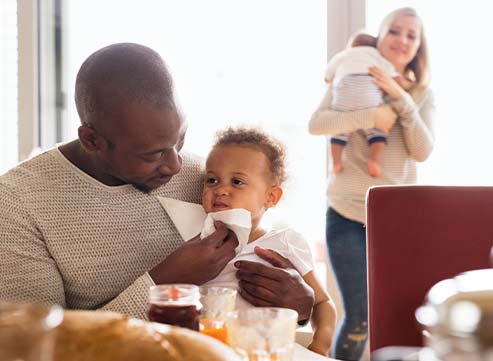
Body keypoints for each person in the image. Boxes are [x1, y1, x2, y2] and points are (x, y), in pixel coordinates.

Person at [0, 43, 314, 323]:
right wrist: (162, 286)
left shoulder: (205, 177)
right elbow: (34, 346)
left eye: (180, 140)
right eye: (153, 154)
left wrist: (298, 305)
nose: (176, 165)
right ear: (92, 140)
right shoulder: (18, 204)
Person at [309, 7, 435, 361]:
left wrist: (400, 96)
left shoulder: (422, 94)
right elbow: (317, 124)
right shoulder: (351, 74)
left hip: (397, 220)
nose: (402, 40)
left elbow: (422, 151)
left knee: (398, 315)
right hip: (345, 215)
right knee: (359, 317)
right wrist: (371, 115)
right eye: (395, 31)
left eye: (412, 35)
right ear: (381, 35)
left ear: (419, 47)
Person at [200, 127, 337, 356]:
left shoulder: (284, 243)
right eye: (212, 180)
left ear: (270, 197)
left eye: (237, 182)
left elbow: (322, 303)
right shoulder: (196, 243)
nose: (221, 189)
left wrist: (320, 345)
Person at [325, 32, 403, 178]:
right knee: (378, 132)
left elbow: (330, 69)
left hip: (344, 95)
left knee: (338, 133)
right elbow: (389, 73)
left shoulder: (344, 55)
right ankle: (373, 159)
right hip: (368, 98)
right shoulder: (375, 55)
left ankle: (336, 162)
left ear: (352, 46)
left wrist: (328, 78)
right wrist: (396, 79)